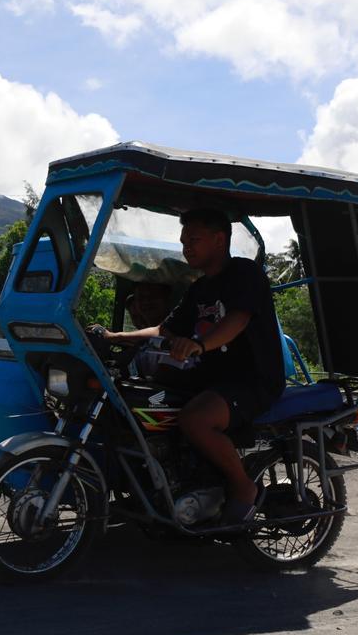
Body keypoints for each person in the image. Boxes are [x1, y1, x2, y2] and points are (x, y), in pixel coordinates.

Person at [98, 209, 284, 524]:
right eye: (183, 241)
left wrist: (200, 345)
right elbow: (163, 330)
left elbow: (237, 319)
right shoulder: (200, 289)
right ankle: (178, 479)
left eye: (193, 240)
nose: (186, 247)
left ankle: (243, 488)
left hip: (252, 379)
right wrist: (114, 336)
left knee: (195, 419)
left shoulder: (244, 274)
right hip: (213, 377)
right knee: (148, 393)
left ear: (219, 239)